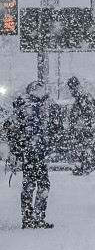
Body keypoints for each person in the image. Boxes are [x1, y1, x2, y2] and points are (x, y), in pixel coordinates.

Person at [15, 82, 54, 228]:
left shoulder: (27, 106)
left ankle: (29, 218)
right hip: (34, 154)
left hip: (31, 154)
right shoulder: (30, 107)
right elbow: (33, 132)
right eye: (42, 91)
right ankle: (35, 218)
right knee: (41, 185)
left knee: (30, 185)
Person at [67, 76, 95, 176]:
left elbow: (90, 111)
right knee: (83, 148)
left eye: (71, 88)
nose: (70, 91)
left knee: (83, 148)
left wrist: (80, 121)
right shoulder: (82, 96)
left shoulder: (82, 97)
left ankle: (84, 167)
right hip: (82, 129)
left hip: (82, 129)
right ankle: (83, 166)